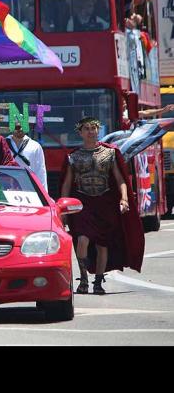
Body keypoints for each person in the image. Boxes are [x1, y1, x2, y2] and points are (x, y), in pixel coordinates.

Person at [59, 117, 144, 295]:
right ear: (80, 133)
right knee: (82, 239)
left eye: (94, 128)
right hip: (82, 204)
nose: (91, 132)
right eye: (87, 129)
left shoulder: (110, 153)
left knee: (101, 245)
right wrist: (63, 208)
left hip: (105, 203)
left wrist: (124, 199)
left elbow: (120, 179)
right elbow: (66, 183)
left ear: (98, 130)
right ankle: (83, 279)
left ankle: (98, 282)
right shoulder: (73, 156)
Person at [6, 123, 48, 190]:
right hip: (6, 190)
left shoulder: (35, 146)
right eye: (17, 127)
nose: (21, 129)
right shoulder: (3, 144)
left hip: (29, 190)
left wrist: (43, 193)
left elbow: (40, 172)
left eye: (24, 126)